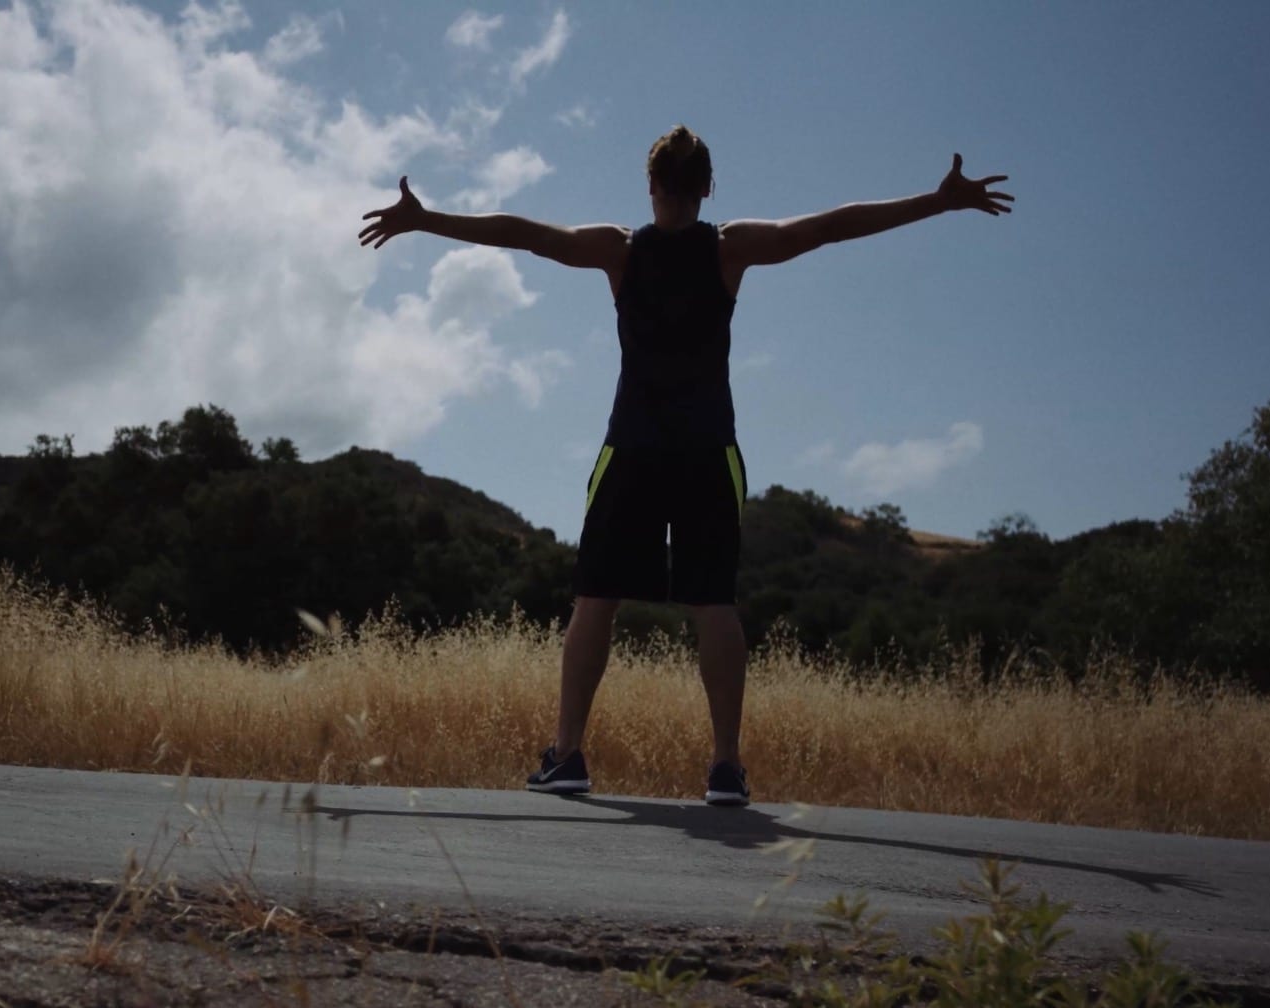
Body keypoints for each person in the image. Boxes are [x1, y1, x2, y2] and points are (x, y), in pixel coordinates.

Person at [358, 126, 1012, 807]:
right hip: (707, 447)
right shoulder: (732, 249)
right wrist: (936, 202)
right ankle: (725, 766)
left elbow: (527, 234)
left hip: (633, 445)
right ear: (707, 186)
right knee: (713, 604)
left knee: (596, 601)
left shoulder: (618, 251)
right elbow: (830, 228)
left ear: (650, 185)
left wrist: (427, 220)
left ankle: (569, 754)